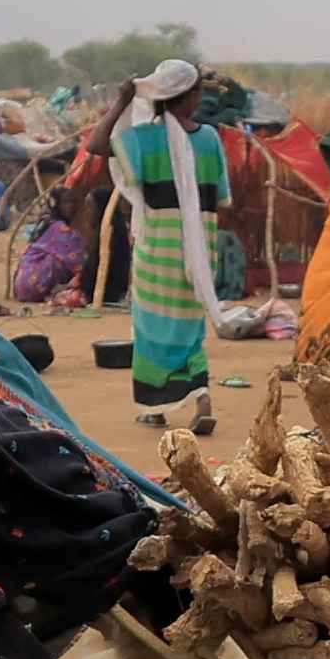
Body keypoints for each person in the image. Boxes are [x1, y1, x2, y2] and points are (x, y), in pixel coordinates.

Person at [114, 59, 228, 406]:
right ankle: (200, 389)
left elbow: (99, 146)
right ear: (191, 96)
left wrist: (121, 102)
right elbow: (222, 200)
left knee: (150, 327)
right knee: (190, 328)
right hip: (200, 252)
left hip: (157, 254)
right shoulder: (209, 138)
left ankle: (154, 406)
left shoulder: (143, 139)